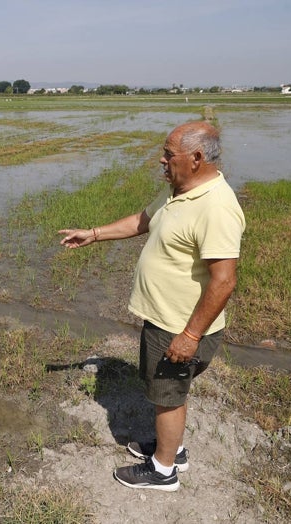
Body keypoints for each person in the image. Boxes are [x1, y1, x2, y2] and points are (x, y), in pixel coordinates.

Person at [59, 121, 245, 492]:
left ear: (195, 158)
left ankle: (163, 471)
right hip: (166, 321)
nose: (161, 160)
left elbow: (224, 280)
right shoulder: (180, 190)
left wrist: (190, 335)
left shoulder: (216, 205)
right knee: (170, 393)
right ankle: (172, 450)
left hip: (179, 326)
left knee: (167, 397)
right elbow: (144, 221)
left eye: (168, 154)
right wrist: (93, 234)